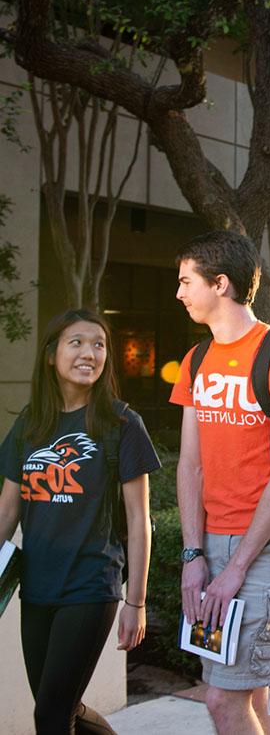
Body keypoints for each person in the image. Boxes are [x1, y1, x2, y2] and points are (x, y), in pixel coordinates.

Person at [170, 230, 270, 735]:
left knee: (221, 701)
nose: (180, 293)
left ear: (221, 284)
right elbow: (191, 466)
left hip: (269, 544)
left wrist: (235, 570)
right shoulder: (195, 361)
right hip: (212, 543)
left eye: (188, 281)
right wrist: (194, 556)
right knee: (249, 691)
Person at [0, 309, 160, 735]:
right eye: (77, 343)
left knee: (50, 716)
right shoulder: (32, 422)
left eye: (99, 344)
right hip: (36, 587)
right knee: (59, 708)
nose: (90, 353)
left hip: (90, 585)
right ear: (51, 354)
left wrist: (136, 601)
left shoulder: (121, 424)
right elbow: (6, 510)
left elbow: (138, 520)